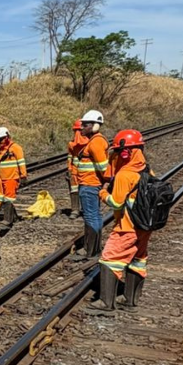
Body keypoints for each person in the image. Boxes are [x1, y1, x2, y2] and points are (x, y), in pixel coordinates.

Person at [90, 129, 150, 311]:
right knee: (138, 259)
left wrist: (102, 193)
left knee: (109, 259)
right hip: (144, 226)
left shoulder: (125, 175)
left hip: (127, 227)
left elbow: (116, 203)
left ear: (125, 153)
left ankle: (106, 303)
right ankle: (130, 300)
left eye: (116, 151)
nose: (113, 155)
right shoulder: (146, 168)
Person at [71, 110, 110, 261]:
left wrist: (106, 183)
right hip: (89, 184)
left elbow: (104, 168)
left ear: (94, 126)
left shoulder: (95, 143)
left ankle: (91, 251)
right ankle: (93, 249)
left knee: (91, 217)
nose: (82, 128)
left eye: (85, 125)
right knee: (94, 216)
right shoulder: (95, 141)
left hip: (90, 185)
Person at [0, 127, 27, 226]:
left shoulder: (15, 148)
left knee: (8, 199)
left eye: (0, 139)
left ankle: (8, 220)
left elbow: (21, 162)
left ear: (7, 137)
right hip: (2, 178)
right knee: (4, 198)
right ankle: (13, 217)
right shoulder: (1, 150)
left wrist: (23, 176)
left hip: (11, 178)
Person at [66, 119, 86, 219]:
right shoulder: (71, 144)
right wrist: (69, 169)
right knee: (74, 190)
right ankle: (75, 209)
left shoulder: (91, 142)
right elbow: (70, 156)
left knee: (87, 190)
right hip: (74, 171)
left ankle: (86, 210)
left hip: (87, 172)